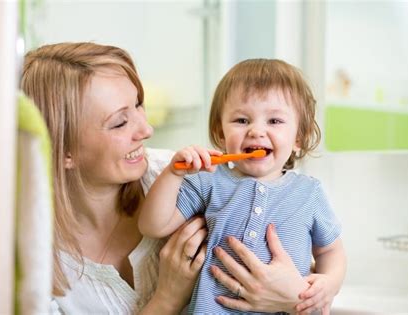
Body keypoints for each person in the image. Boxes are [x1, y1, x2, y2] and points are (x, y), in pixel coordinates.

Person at [21, 43, 311, 314]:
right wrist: (166, 299)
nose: (146, 130)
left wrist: (296, 294)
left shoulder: (184, 178)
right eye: (120, 122)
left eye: (138, 105)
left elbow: (301, 263)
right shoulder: (24, 255)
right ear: (63, 151)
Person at [139, 58, 347, 314]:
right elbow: (153, 225)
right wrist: (173, 173)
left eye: (274, 121)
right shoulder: (208, 181)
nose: (256, 131)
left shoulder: (309, 193)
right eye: (241, 120)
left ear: (298, 138)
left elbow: (331, 252)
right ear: (220, 133)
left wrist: (329, 283)